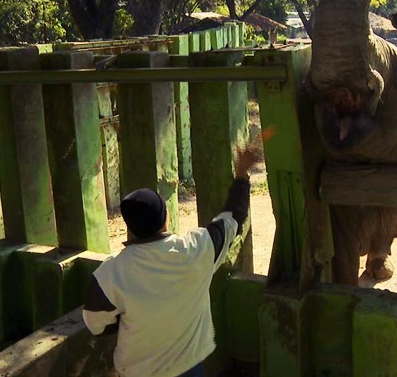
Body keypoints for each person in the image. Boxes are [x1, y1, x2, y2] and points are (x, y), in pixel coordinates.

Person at [82, 137, 265, 377]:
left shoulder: (110, 273)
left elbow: (95, 323)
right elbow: (233, 217)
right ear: (165, 217)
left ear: (130, 226)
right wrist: (241, 173)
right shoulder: (197, 249)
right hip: (189, 367)